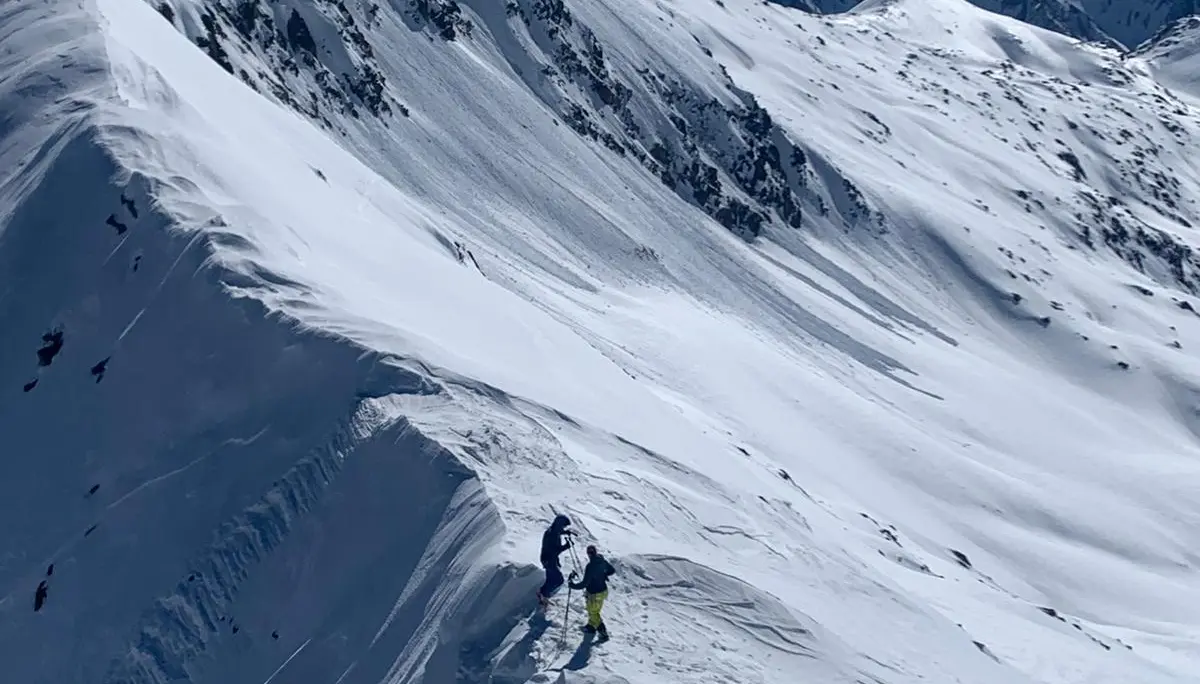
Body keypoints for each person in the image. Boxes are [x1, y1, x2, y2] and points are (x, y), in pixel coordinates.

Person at [569, 544, 615, 641]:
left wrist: (572, 585)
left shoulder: (590, 566)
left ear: (588, 554)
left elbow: (584, 584)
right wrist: (603, 574)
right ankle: (590, 627)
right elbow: (612, 570)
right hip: (603, 591)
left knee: (593, 612)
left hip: (594, 594)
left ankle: (603, 633)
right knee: (595, 610)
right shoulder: (602, 560)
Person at [538, 514, 573, 604]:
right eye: (563, 526)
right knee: (558, 580)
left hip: (547, 559)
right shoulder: (552, 535)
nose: (563, 527)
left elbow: (557, 532)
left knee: (550, 579)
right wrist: (566, 546)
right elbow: (555, 551)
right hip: (550, 560)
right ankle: (544, 595)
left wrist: (565, 532)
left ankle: (542, 596)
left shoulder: (552, 531)